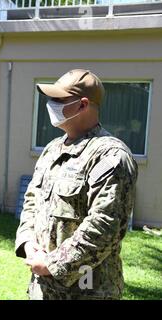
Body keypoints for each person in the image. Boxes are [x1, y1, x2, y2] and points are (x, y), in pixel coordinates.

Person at [15, 69, 138, 300]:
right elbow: (32, 201)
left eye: (59, 99)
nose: (50, 104)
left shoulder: (110, 156)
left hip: (88, 292)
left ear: (83, 105)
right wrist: (28, 244)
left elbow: (105, 226)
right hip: (43, 290)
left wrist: (51, 264)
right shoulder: (53, 150)